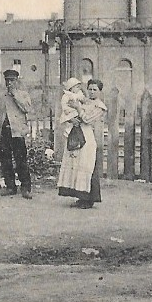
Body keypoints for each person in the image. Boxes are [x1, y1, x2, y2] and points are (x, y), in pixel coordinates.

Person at [57, 78, 107, 209]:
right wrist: (71, 120)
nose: (91, 92)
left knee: (87, 166)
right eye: (89, 89)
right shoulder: (82, 99)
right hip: (76, 133)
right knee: (75, 164)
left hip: (88, 137)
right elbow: (67, 112)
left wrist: (79, 108)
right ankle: (80, 196)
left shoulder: (99, 106)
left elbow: (88, 119)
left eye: (95, 90)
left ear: (100, 91)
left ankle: (89, 199)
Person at [0, 69, 33, 199]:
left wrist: (15, 95)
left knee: (21, 160)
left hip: (18, 132)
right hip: (5, 131)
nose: (9, 83)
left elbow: (27, 109)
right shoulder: (1, 96)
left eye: (12, 80)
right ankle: (10, 186)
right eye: (7, 80)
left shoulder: (23, 94)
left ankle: (26, 187)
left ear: (17, 81)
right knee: (5, 160)